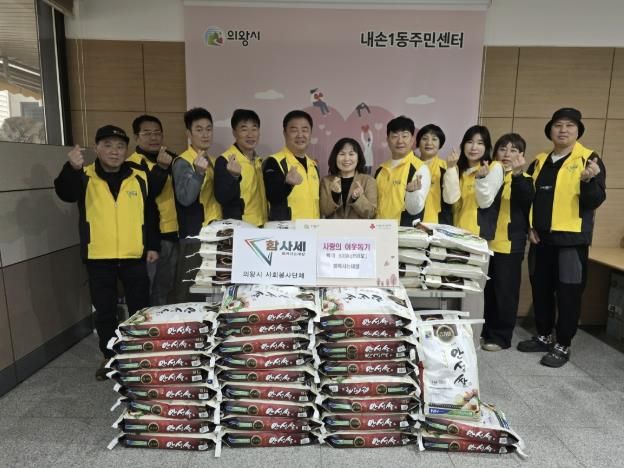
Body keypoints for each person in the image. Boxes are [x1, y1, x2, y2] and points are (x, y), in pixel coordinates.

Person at [54, 125, 159, 380]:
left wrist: (153, 245)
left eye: (120, 146)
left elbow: (150, 213)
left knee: (140, 308)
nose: (115, 151)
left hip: (134, 255)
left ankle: (139, 354)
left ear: (126, 150)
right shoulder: (84, 175)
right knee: (105, 310)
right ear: (97, 148)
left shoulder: (139, 176)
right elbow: (65, 193)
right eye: (108, 145)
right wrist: (72, 168)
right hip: (98, 256)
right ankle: (109, 356)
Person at [517, 108, 606, 367]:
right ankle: (544, 335)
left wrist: (589, 181)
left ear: (578, 131)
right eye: (558, 125)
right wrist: (530, 226)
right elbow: (528, 199)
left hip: (571, 241)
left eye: (569, 125)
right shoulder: (539, 160)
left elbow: (595, 200)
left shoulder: (589, 159)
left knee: (568, 294)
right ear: (550, 130)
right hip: (540, 240)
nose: (563, 130)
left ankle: (563, 344)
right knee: (541, 289)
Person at [481, 133, 535, 351]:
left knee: (505, 293)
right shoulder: (487, 173)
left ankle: (500, 337)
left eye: (513, 150)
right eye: (503, 149)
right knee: (486, 291)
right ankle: (484, 331)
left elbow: (526, 200)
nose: (507, 154)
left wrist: (519, 175)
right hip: (484, 243)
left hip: (509, 244)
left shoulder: (525, 179)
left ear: (521, 155)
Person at [126, 115, 179, 305]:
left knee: (168, 288)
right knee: (152, 290)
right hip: (153, 239)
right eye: (147, 133)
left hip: (174, 233)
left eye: (157, 133)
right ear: (136, 137)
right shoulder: (132, 164)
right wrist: (162, 168)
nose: (154, 137)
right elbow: (146, 195)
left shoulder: (171, 159)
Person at [172, 108, 222, 301]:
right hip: (195, 236)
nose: (205, 134)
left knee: (212, 292)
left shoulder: (214, 161)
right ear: (189, 133)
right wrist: (198, 173)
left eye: (209, 129)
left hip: (215, 234)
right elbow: (185, 198)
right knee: (191, 291)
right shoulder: (183, 161)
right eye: (199, 129)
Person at [263, 110, 320, 221]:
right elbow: (272, 196)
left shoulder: (313, 165)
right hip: (287, 230)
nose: (300, 135)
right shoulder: (274, 161)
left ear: (310, 133)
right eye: (294, 130)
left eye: (305, 130)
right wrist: (288, 185)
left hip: (313, 229)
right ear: (285, 133)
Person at [214, 109, 267, 226]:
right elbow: (222, 197)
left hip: (262, 225)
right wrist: (234, 177)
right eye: (244, 129)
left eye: (254, 129)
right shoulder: (225, 160)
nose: (250, 135)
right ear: (234, 132)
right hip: (240, 228)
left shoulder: (259, 161)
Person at [375, 116, 431, 226]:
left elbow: (415, 209)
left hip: (403, 233)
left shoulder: (420, 168)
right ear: (388, 140)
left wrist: (412, 193)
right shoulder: (381, 170)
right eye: (394, 136)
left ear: (412, 140)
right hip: (379, 230)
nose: (400, 141)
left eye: (405, 136)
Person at [454, 125, 503, 239]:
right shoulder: (459, 170)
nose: (474, 147)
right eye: (470, 142)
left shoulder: (494, 167)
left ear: (487, 147)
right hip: (456, 233)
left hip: (477, 236)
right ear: (463, 145)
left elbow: (485, 202)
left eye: (480, 143)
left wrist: (481, 179)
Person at [320, 137, 377, 219]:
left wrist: (358, 198)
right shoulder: (326, 181)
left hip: (359, 227)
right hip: (333, 227)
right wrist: (335, 195)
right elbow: (323, 211)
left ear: (358, 158)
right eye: (342, 154)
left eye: (351, 154)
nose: (346, 159)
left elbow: (371, 213)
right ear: (335, 157)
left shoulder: (369, 181)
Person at [415, 123, 460, 224]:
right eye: (424, 138)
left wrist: (451, 168)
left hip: (440, 223)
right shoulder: (411, 166)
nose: (429, 143)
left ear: (440, 144)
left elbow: (452, 198)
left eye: (434, 139)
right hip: (414, 223)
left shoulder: (447, 166)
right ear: (418, 143)